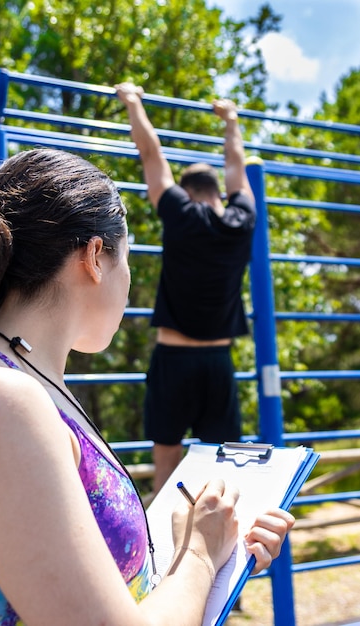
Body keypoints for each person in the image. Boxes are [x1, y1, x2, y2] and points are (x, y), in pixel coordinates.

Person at [0, 148, 293, 626]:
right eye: (126, 257)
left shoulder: (27, 385)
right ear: (94, 257)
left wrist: (209, 554)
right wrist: (200, 553)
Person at [116, 83, 256, 495]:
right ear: (219, 193)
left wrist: (134, 101)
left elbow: (151, 154)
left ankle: (160, 553)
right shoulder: (243, 220)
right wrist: (231, 121)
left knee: (166, 461)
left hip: (174, 360)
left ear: (187, 190)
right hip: (218, 362)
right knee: (221, 465)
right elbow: (236, 165)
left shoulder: (180, 214)